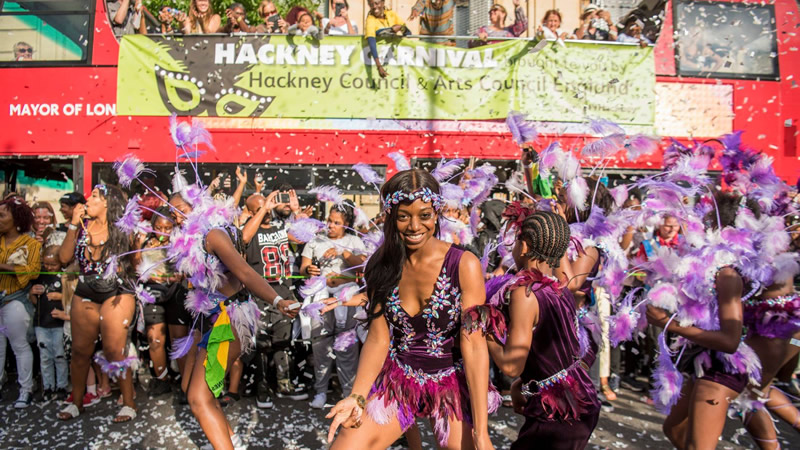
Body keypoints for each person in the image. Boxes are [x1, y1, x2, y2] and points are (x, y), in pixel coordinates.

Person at [325, 169, 496, 449]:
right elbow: (379, 339)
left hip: (450, 382)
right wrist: (356, 397)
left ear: (437, 213)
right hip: (400, 380)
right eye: (403, 216)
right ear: (391, 216)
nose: (415, 226)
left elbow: (475, 346)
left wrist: (482, 432)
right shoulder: (379, 266)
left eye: (424, 215)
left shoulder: (464, 264)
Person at [166, 185, 300, 449]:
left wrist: (277, 299)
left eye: (181, 211)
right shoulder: (202, 236)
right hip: (205, 316)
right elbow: (244, 238)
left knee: (198, 398)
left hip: (228, 317)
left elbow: (246, 273)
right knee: (190, 386)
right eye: (173, 215)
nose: (177, 218)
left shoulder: (214, 234)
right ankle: (231, 439)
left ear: (197, 206)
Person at [646, 191, 755, 450]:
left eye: (705, 218)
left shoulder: (728, 274)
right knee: (673, 428)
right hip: (702, 360)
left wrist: (670, 325)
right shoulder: (715, 266)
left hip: (722, 369)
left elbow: (729, 341)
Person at [487, 208, 600, 449]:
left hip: (558, 414)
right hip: (577, 400)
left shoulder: (525, 293)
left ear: (525, 246)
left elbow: (510, 364)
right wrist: (524, 384)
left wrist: (483, 326)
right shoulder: (560, 288)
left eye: (516, 242)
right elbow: (556, 355)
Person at [56, 184, 138, 423]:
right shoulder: (81, 227)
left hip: (117, 291)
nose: (87, 200)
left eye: (93, 196)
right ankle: (77, 402)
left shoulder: (122, 229)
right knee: (80, 351)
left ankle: (129, 403)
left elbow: (135, 260)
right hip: (86, 290)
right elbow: (63, 258)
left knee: (114, 350)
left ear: (106, 203)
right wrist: (73, 224)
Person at [241, 186, 305, 408]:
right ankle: (262, 387)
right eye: (260, 209)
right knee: (261, 345)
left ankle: (284, 384)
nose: (267, 211)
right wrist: (262, 209)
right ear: (250, 212)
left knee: (282, 343)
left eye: (268, 207)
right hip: (260, 297)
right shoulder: (248, 229)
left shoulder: (279, 228)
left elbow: (302, 236)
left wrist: (295, 212)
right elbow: (244, 237)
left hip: (284, 293)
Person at [300, 201, 366, 409]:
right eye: (329, 220)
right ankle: (321, 391)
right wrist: (308, 269)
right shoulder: (316, 240)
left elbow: (363, 267)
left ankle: (348, 394)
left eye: (336, 222)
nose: (331, 225)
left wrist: (342, 252)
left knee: (347, 348)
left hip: (346, 299)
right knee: (320, 346)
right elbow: (303, 267)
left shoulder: (354, 240)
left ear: (346, 224)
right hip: (320, 297)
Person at [0, 196, 41, 409]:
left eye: (2, 215)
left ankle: (25, 390)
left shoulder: (31, 244)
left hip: (14, 301)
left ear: (16, 219)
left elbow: (33, 272)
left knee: (19, 346)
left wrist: (4, 267)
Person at [29, 245, 69, 401]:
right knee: (45, 356)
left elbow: (70, 300)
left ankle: (62, 386)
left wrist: (60, 296)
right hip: (41, 322)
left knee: (60, 355)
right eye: (46, 264)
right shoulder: (39, 276)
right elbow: (33, 301)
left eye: (53, 265)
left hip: (58, 323)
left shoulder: (65, 277)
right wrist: (32, 293)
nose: (49, 267)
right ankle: (47, 386)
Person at [365, 0, 409, 79]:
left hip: (395, 60)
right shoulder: (370, 19)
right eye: (371, 4)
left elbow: (408, 33)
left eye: (377, 3)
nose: (374, 6)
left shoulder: (391, 14)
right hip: (380, 62)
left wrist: (401, 28)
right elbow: (371, 42)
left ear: (383, 3)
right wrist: (379, 66)